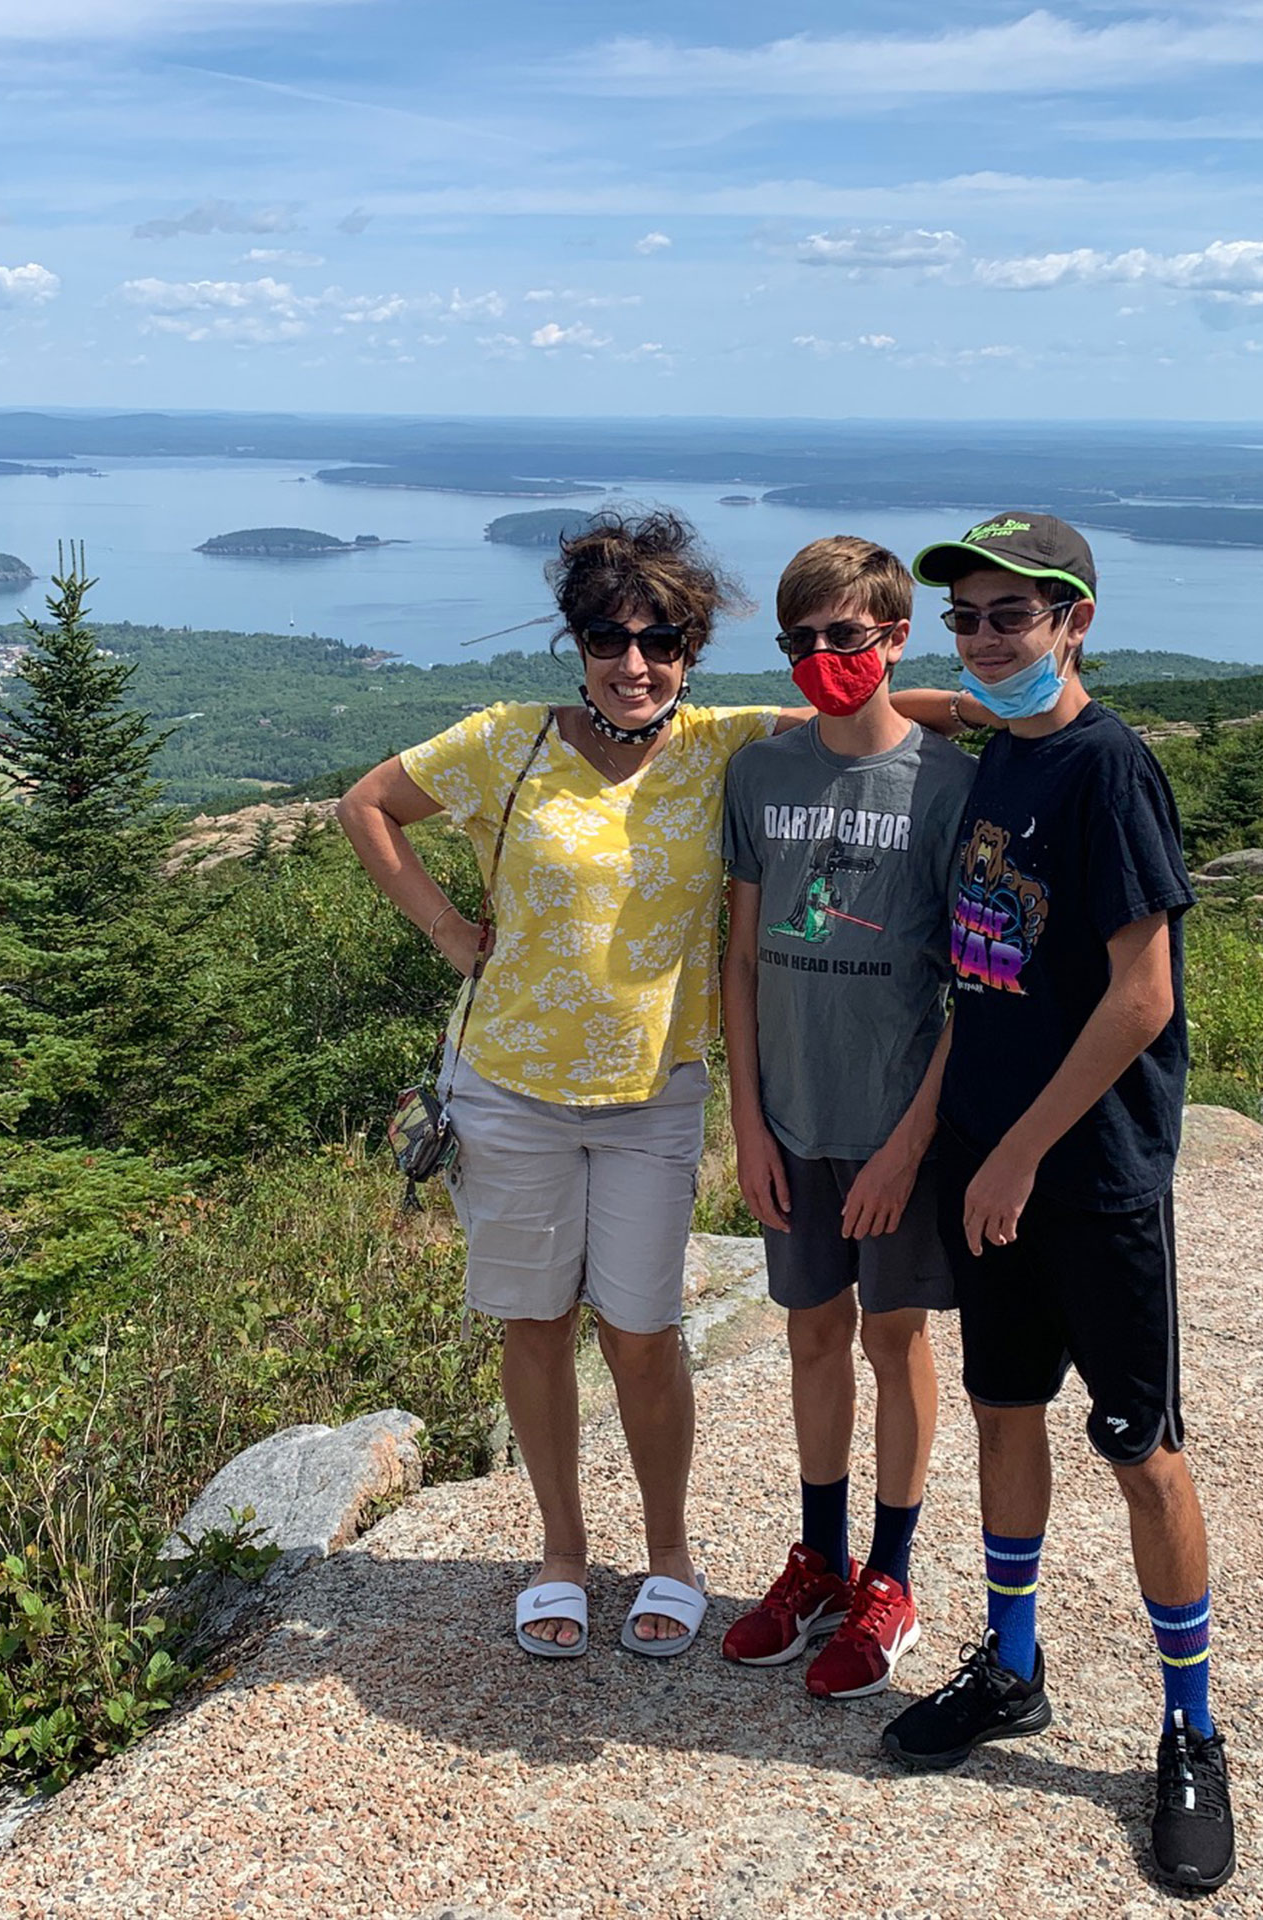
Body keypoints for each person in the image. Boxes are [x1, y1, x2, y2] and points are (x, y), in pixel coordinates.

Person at [336, 508, 965, 1662]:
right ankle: (563, 1554)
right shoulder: (504, 742)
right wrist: (445, 929)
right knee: (536, 1326)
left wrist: (996, 711)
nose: (636, 665)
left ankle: (669, 1553)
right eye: (610, 640)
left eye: (663, 641)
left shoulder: (724, 744)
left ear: (691, 650)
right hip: (508, 1088)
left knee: (643, 1330)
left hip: (651, 1096)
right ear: (576, 645)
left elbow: (860, 713)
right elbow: (365, 805)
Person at [873, 513, 1237, 1896]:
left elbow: (1141, 995)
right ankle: (1013, 1665)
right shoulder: (1002, 754)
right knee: (1003, 1411)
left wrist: (1019, 1151)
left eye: (1014, 616)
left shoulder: (1109, 770)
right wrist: (935, 692)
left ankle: (1192, 1728)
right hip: (990, 1159)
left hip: (1086, 1176)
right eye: (964, 615)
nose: (984, 637)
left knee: (1142, 1451)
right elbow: (988, 977)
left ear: (1078, 619)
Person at [716, 536, 974, 1699]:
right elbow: (739, 961)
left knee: (895, 1336)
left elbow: (976, 988)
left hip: (894, 1124)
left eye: (848, 638)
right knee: (811, 1331)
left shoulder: (953, 788)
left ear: (893, 637)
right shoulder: (760, 775)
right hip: (792, 1117)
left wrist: (911, 1142)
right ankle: (818, 1561)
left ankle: (892, 1579)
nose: (825, 658)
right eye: (802, 641)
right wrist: (750, 1125)